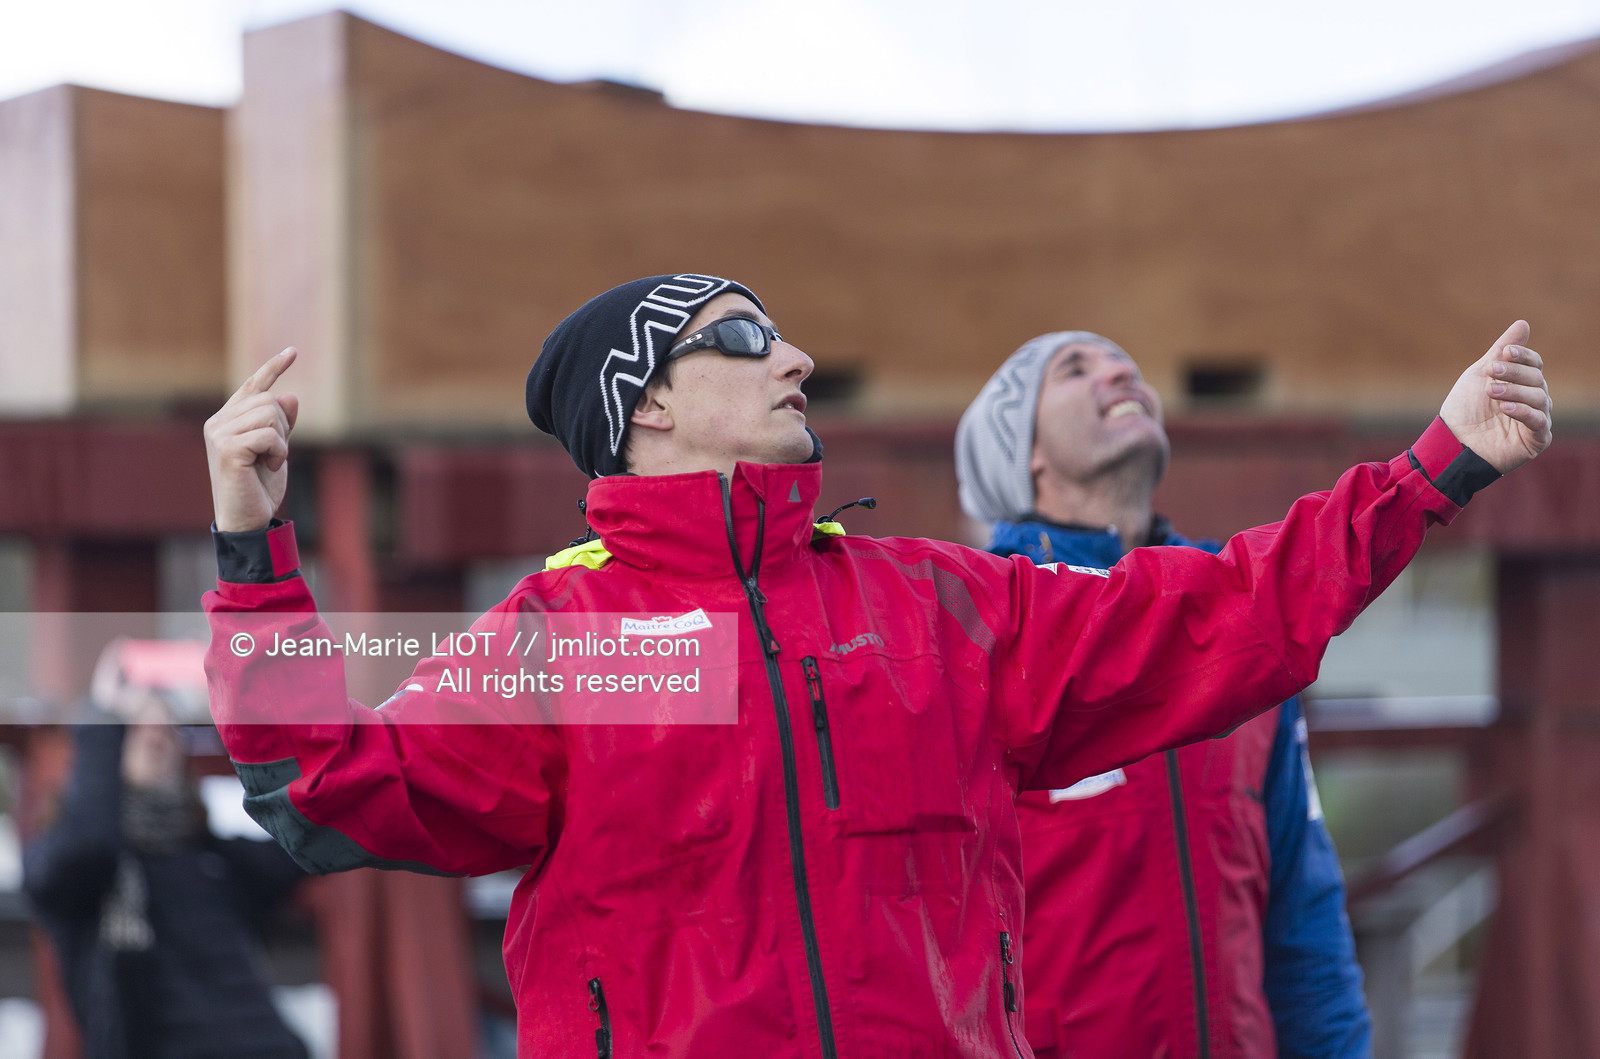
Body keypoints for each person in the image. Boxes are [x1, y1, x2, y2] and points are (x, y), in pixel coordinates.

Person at [201, 273, 1550, 1058]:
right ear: (647, 401)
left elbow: (1225, 611)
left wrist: (1436, 465)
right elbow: (316, 789)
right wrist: (251, 546)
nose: (792, 356)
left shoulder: (935, 607)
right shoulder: (573, 643)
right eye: (742, 335)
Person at [956, 332, 1373, 1058]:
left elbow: (1303, 912)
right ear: (1024, 453)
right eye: (1074, 369)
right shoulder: (973, 631)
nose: (1121, 371)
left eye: (1126, 364)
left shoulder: (1243, 618)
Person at [24, 643, 309, 1059]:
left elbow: (305, 838)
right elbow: (89, 847)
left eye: (165, 728)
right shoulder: (69, 862)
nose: (155, 735)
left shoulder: (212, 860)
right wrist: (103, 715)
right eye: (136, 728)